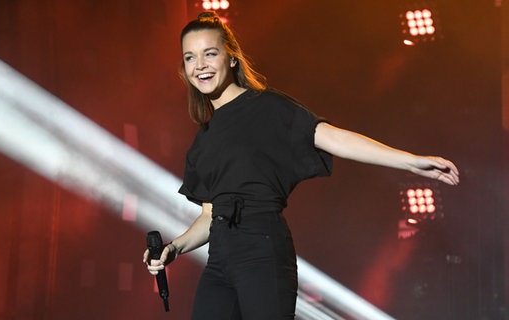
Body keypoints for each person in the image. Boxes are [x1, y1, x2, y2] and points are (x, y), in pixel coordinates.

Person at [143, 11, 460, 320]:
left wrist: (411, 161)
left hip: (262, 250)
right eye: (190, 57)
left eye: (209, 54)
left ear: (231, 58)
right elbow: (210, 216)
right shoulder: (203, 141)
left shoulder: (267, 107)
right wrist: (176, 247)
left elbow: (333, 138)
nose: (200, 65)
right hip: (220, 260)